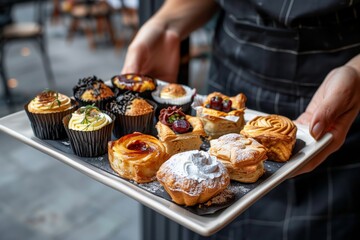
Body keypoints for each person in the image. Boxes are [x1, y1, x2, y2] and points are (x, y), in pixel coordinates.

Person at [121, 0, 360, 239]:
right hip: (230, 79)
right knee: (213, 217)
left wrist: (357, 74)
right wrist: (166, 25)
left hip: (331, 95)